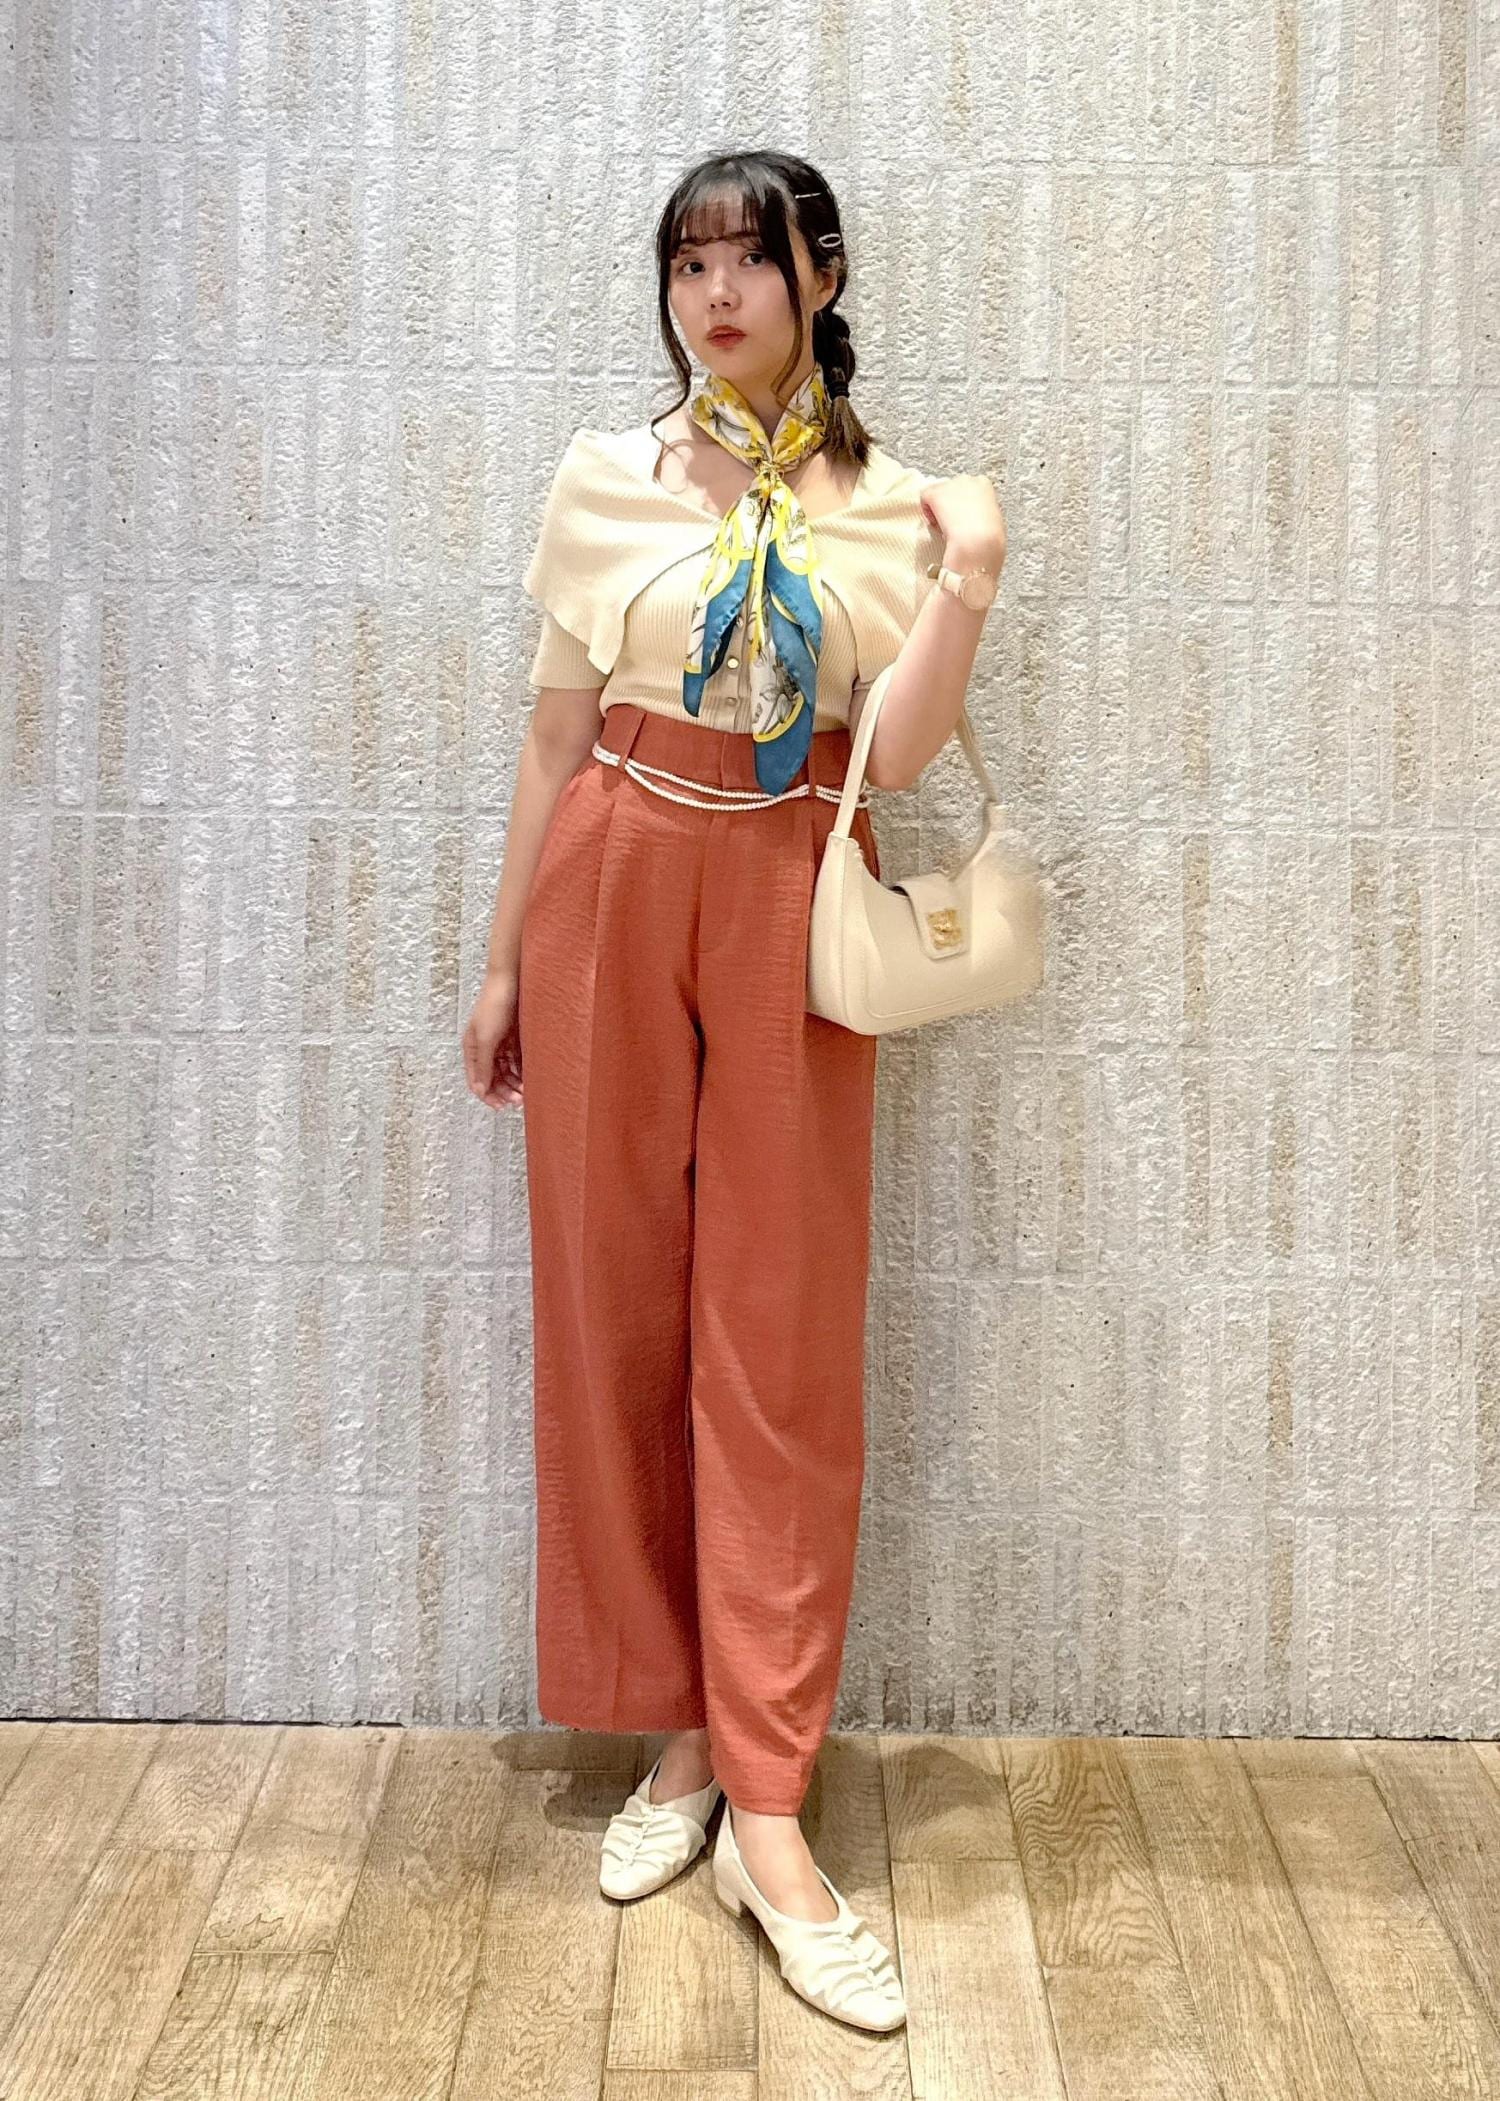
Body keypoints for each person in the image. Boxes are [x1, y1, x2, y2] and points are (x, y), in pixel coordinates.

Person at [462, 148, 1005, 2030]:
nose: (714, 295)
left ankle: (770, 1806)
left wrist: (970, 577)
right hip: (612, 868)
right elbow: (555, 729)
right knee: (613, 1308)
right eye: (687, 263)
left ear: (820, 275)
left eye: (747, 260)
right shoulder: (610, 475)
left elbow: (898, 751)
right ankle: (676, 1731)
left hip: (790, 880)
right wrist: (504, 958)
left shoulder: (894, 506)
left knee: (772, 1338)